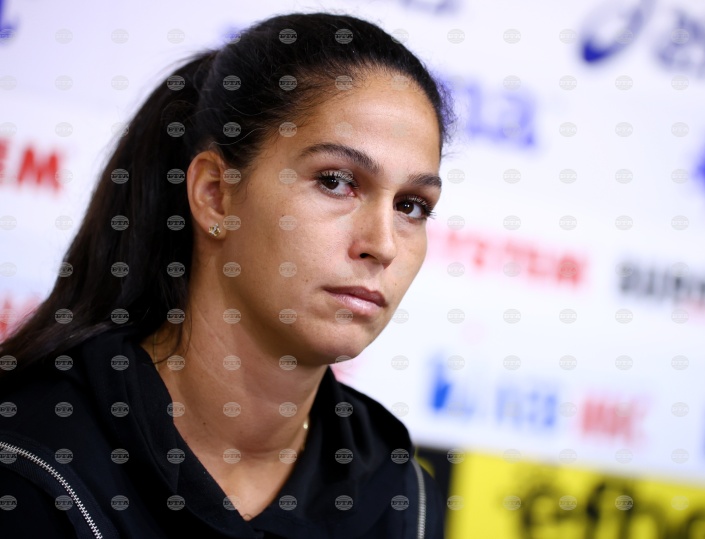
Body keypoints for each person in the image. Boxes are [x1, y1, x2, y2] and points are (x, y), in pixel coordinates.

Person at [0, 12, 454, 538]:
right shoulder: (31, 467)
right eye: (335, 181)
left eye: (412, 206)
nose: (383, 244)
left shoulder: (404, 503)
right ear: (215, 194)